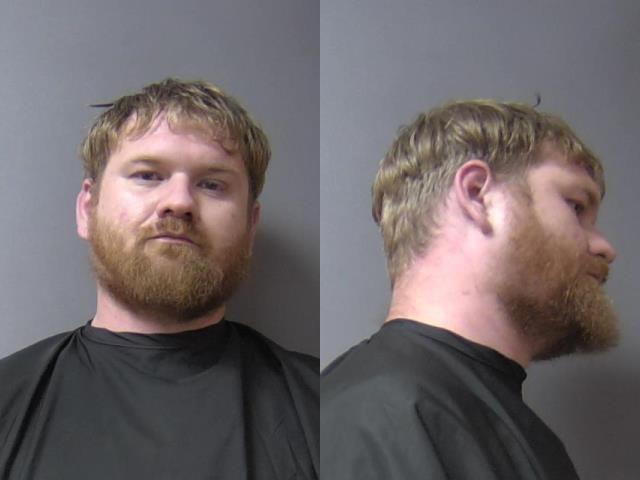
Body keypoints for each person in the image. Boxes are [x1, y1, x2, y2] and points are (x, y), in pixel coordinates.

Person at [0, 78, 318, 480]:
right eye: (148, 175)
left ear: (250, 227)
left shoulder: (325, 406)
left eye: (212, 184)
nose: (179, 202)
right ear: (87, 209)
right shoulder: (8, 401)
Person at [321, 100, 618, 479]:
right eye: (576, 206)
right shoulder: (376, 415)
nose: (604, 247)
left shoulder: (522, 432)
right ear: (478, 195)